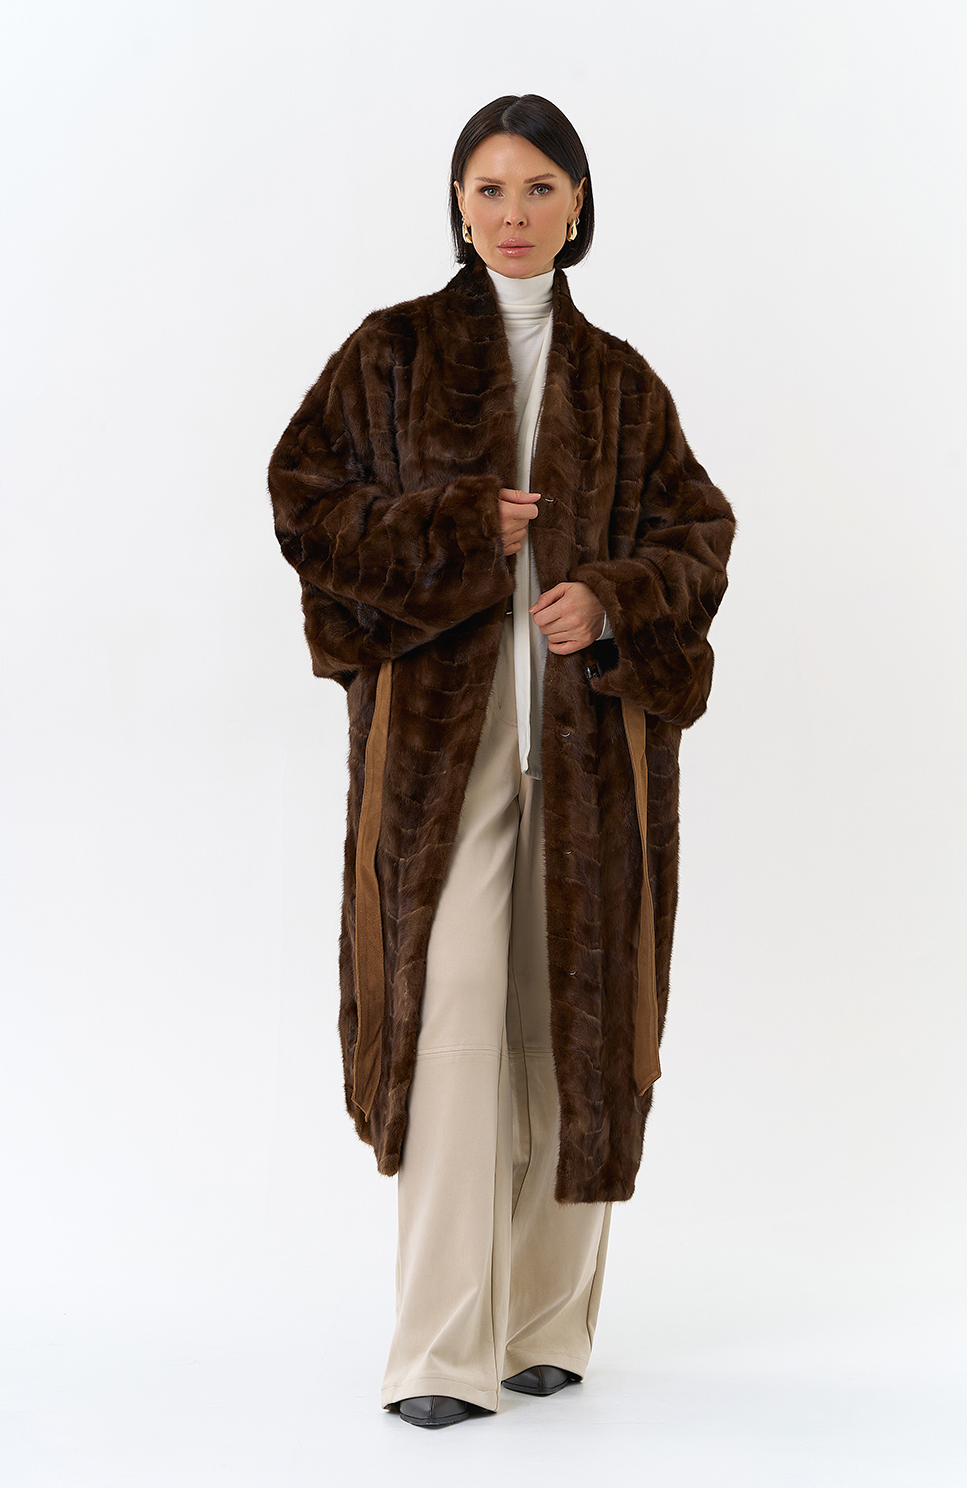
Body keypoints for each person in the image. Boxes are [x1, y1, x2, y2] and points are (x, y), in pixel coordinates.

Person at [267, 94, 735, 1429]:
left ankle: (544, 1326)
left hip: (589, 755)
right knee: (453, 1017)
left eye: (539, 188)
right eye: (489, 189)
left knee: (573, 1023)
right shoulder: (393, 353)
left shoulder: (623, 383)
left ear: (578, 206)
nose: (513, 214)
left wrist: (612, 601)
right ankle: (437, 1349)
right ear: (458, 206)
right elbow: (306, 504)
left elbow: (701, 537)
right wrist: (463, 528)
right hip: (444, 757)